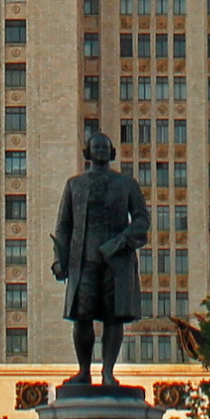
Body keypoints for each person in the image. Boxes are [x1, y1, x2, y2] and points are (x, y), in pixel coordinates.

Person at [50, 126, 148, 390]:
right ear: (88, 152)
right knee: (82, 316)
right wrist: (60, 259)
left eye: (106, 147)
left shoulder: (126, 184)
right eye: (97, 146)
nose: (101, 150)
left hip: (116, 263)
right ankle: (84, 371)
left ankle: (108, 372)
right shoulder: (75, 184)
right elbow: (63, 225)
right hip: (83, 261)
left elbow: (141, 220)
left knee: (113, 317)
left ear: (112, 153)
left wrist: (122, 241)